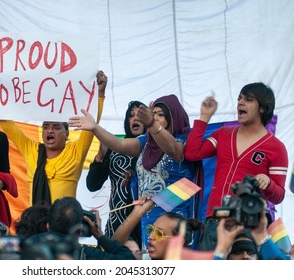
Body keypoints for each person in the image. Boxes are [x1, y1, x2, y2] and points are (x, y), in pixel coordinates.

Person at [69, 94, 199, 254]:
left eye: (160, 114)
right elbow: (118, 144)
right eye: (153, 114)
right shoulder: (146, 143)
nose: (155, 118)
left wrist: (152, 124)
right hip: (146, 219)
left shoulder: (184, 142)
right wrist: (95, 128)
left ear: (173, 118)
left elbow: (173, 150)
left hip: (172, 222)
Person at [184, 82, 289, 251]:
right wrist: (204, 117)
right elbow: (192, 153)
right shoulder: (223, 134)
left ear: (263, 108)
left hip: (248, 226)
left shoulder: (276, 148)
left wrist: (268, 182)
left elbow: (279, 196)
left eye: (248, 99)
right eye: (239, 98)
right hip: (214, 221)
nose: (240, 102)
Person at [0, 71, 107, 206]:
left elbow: (92, 124)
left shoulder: (76, 151)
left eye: (56, 127)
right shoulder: (32, 149)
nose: (50, 130)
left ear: (67, 134)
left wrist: (100, 94)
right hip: (36, 224)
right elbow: (8, 126)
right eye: (46, 126)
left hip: (65, 224)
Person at [86, 100, 146, 242]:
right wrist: (100, 156)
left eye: (140, 115)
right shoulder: (114, 149)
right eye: (131, 115)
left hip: (146, 224)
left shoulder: (154, 150)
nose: (135, 118)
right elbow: (92, 185)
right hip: (117, 225)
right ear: (126, 120)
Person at [22, 196, 136, 260]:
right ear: (79, 231)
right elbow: (129, 260)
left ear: (47, 225)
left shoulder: (24, 247)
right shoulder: (85, 254)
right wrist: (100, 236)